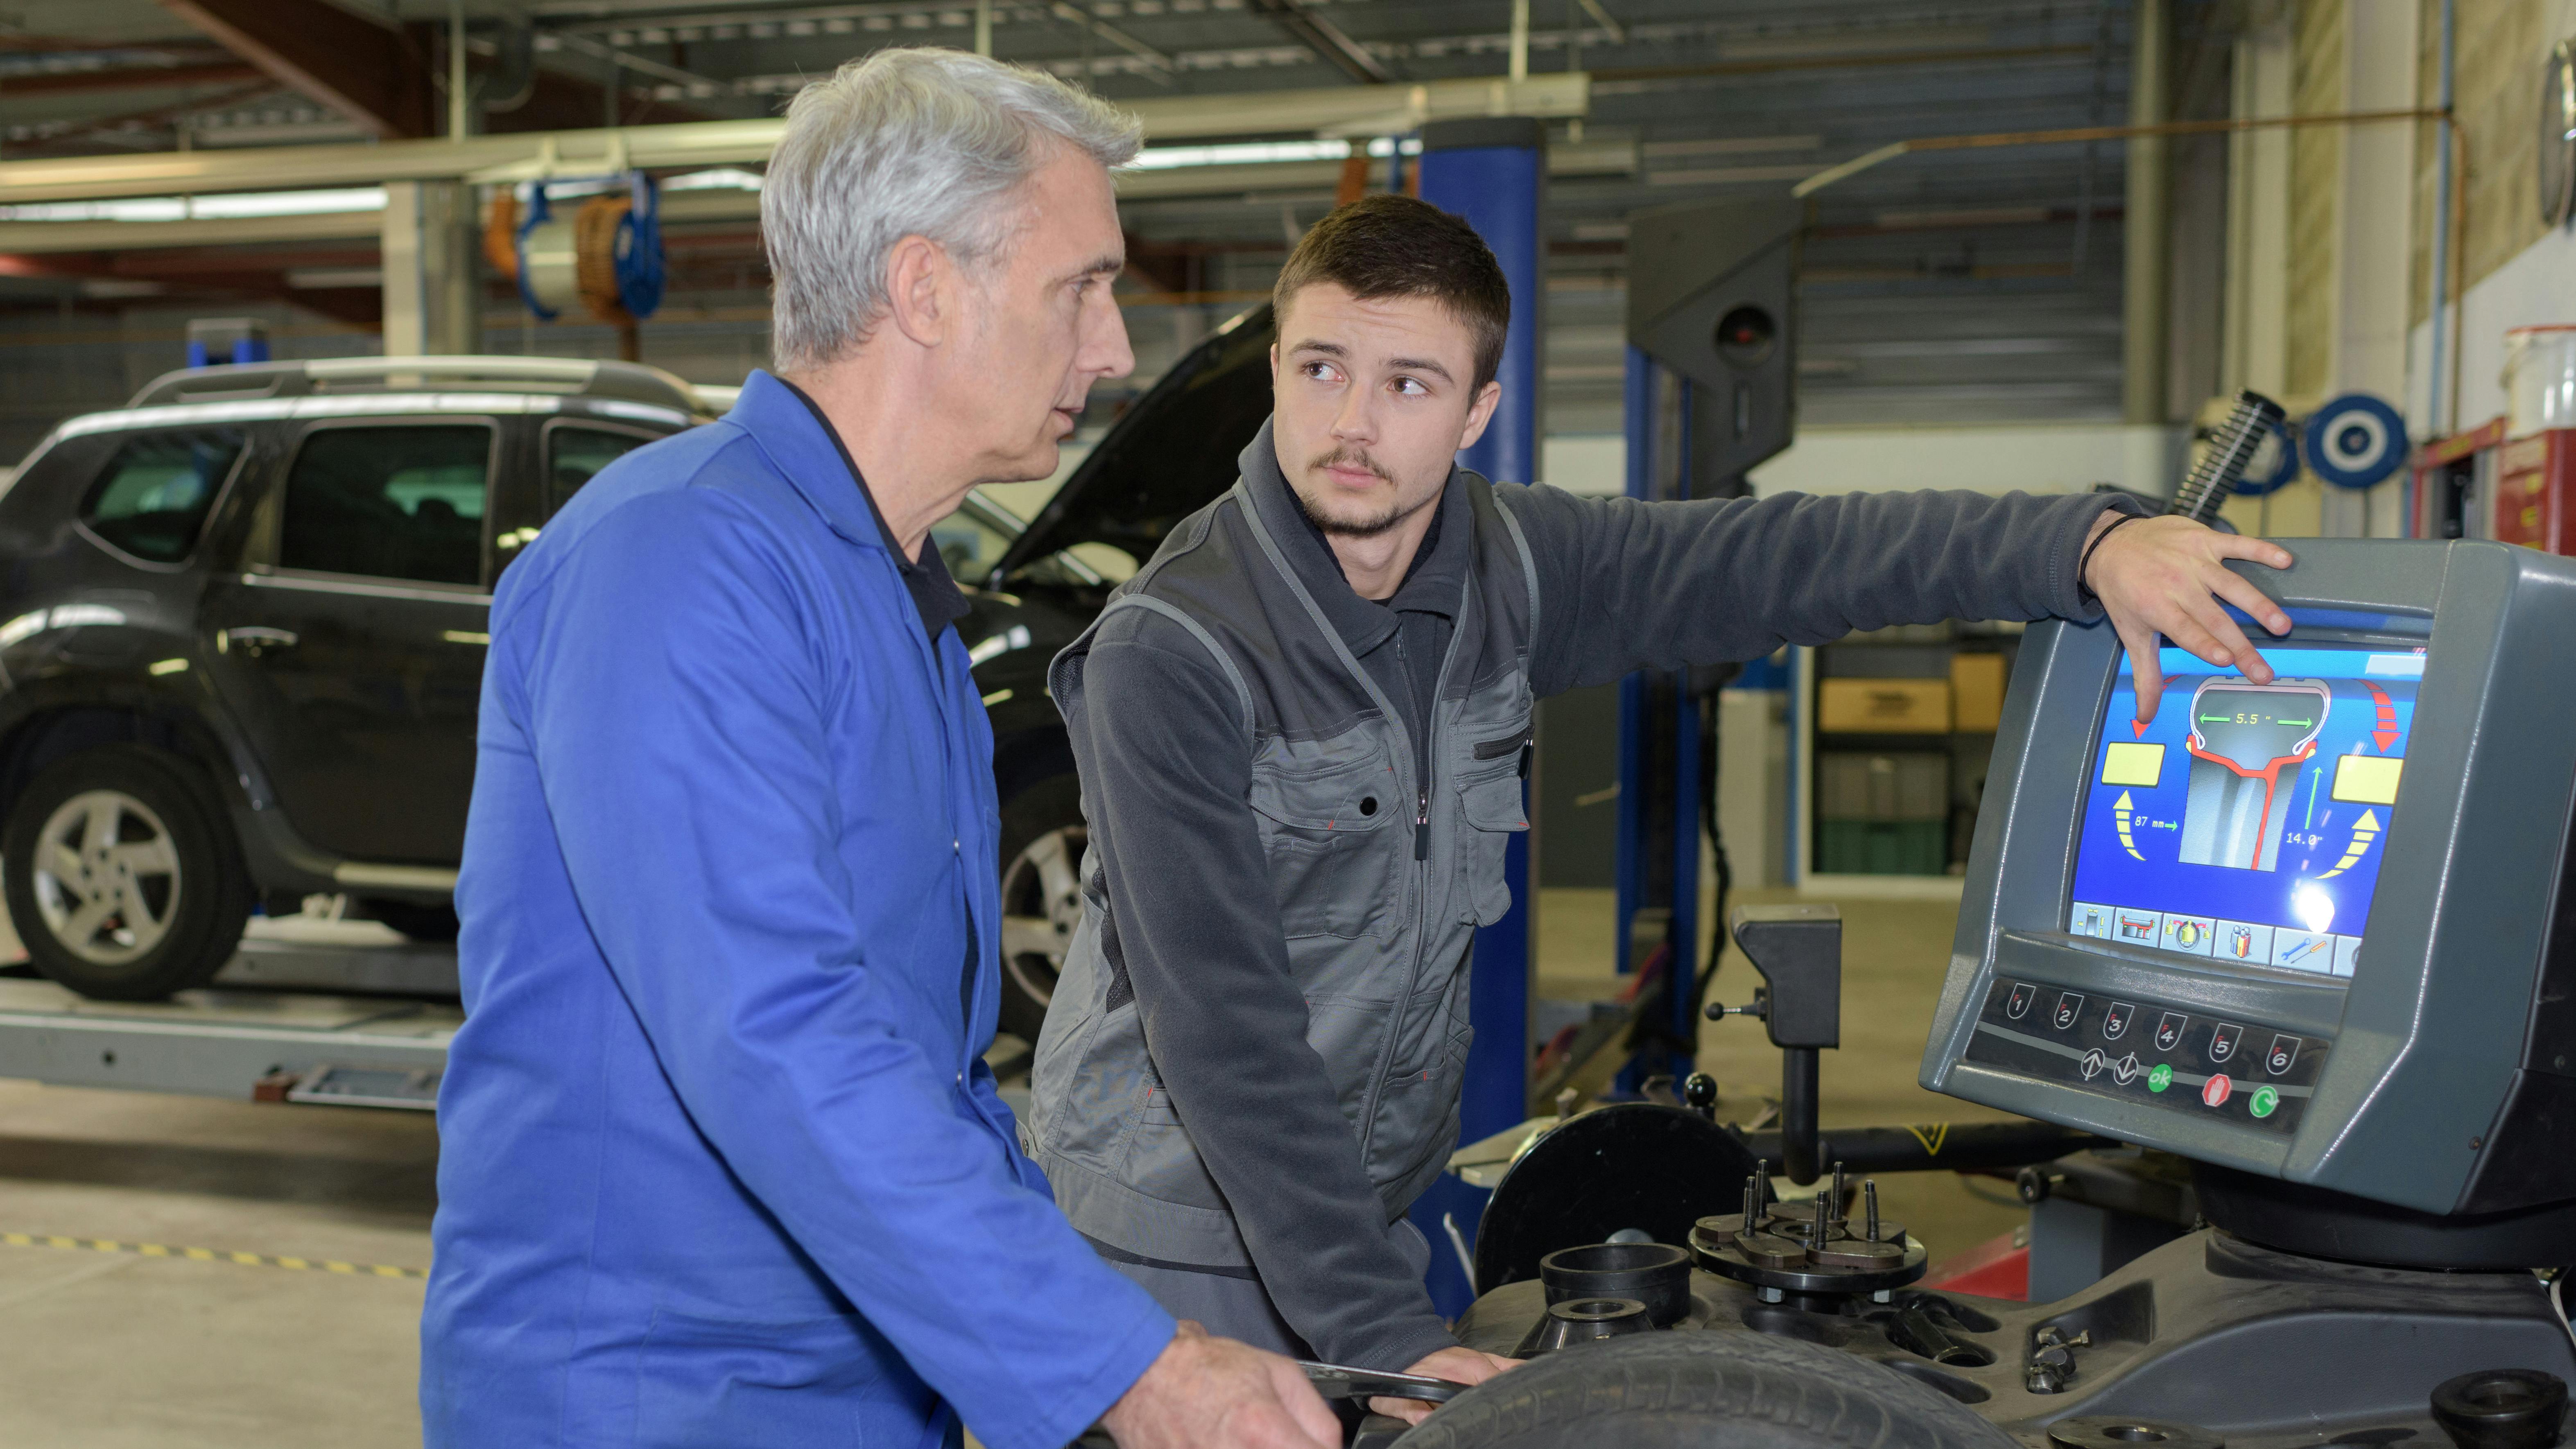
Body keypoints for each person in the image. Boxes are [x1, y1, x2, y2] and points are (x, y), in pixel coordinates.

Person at [1027, 193, 2295, 1419]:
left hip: (1358, 1199)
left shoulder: (1515, 568)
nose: (1350, 422)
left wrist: (2081, 546)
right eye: (1318, 368)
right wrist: (1386, 1335)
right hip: (1170, 1230)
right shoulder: (1175, 653)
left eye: (1408, 383)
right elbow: (1225, 1031)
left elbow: (1790, 557)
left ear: (1479, 410)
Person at [420, 49, 1340, 1449]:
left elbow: (933, 1074)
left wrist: (1129, 1336)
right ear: (924, 288)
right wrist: (1122, 1368)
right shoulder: (680, 560)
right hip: (651, 1398)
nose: (1113, 350)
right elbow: (778, 1032)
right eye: (1080, 288)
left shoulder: (885, 591)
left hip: (855, 1387)